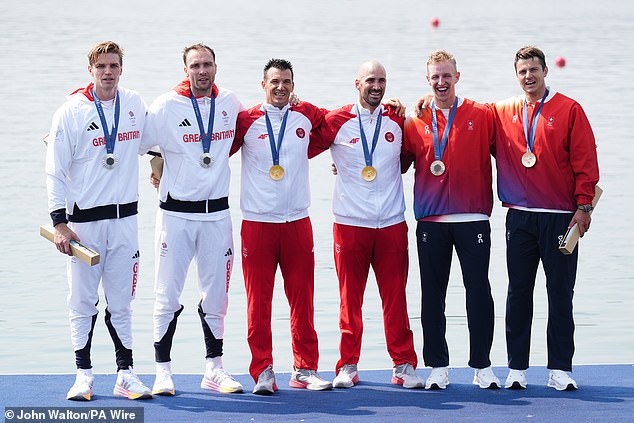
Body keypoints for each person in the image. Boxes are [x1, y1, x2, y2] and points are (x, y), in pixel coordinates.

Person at [45, 41, 152, 401]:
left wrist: (158, 164)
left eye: (114, 66)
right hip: (84, 225)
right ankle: (84, 375)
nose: (108, 72)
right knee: (82, 301)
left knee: (122, 302)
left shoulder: (134, 104)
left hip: (125, 222)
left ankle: (126, 373)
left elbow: (154, 142)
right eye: (101, 66)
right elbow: (54, 172)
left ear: (122, 68)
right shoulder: (71, 112)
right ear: (90, 70)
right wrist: (59, 222)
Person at [309, 61, 423, 389]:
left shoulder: (397, 119)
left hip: (390, 224)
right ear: (357, 83)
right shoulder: (337, 120)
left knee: (396, 299)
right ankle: (347, 365)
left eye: (382, 80)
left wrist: (419, 106)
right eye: (370, 80)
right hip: (349, 224)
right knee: (350, 300)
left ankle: (403, 365)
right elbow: (299, 149)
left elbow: (408, 160)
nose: (377, 86)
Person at [492, 46, 599, 390]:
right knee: (518, 292)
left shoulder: (569, 109)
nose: (528, 77)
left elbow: (585, 161)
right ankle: (517, 369)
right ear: (516, 74)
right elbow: (466, 118)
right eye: (522, 71)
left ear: (545, 71)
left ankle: (560, 368)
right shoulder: (503, 110)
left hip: (560, 218)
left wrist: (583, 207)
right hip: (520, 218)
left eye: (533, 70)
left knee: (560, 293)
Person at [141, 43, 244, 396]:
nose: (202, 71)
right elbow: (137, 145)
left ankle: (214, 369)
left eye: (208, 65)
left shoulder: (230, 102)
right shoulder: (166, 105)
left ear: (217, 67)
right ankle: (162, 371)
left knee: (217, 296)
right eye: (196, 65)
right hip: (176, 216)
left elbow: (260, 127)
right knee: (165, 295)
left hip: (217, 215)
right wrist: (158, 168)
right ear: (185, 69)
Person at [231, 59, 332, 394]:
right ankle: (263, 371)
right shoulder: (246, 120)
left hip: (297, 223)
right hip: (258, 224)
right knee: (258, 304)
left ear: (293, 85)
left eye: (286, 82)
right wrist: (162, 167)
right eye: (274, 82)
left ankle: (305, 370)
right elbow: (213, 154)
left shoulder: (304, 115)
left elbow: (334, 124)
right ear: (263, 85)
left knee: (302, 301)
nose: (280, 88)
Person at [402, 50, 500, 390]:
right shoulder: (414, 120)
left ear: (457, 76)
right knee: (432, 294)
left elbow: (516, 148)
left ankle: (482, 366)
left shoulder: (483, 114)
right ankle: (438, 366)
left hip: (473, 216)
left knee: (479, 292)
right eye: (435, 77)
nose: (441, 82)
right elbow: (392, 163)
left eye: (447, 76)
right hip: (431, 220)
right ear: (426, 80)